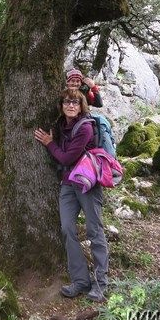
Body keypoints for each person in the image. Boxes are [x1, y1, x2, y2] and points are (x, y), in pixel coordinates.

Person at [34, 88, 108, 302]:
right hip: (68, 185)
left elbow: (66, 158)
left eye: (75, 102)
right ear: (61, 105)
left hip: (88, 185)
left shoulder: (85, 128)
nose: (71, 105)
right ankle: (80, 281)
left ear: (81, 106)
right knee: (67, 229)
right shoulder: (60, 125)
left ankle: (100, 283)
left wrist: (49, 143)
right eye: (67, 101)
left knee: (95, 231)